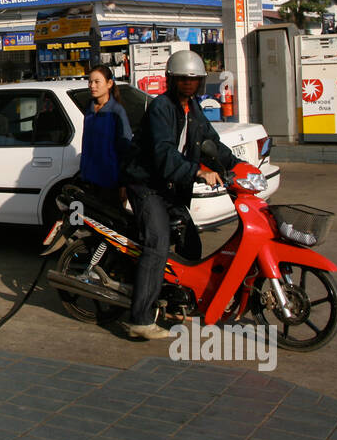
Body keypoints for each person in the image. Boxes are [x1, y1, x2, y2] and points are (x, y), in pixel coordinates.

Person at [119, 50, 234, 340]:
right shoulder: (161, 107)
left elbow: (212, 143)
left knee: (189, 240)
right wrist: (197, 172)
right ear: (172, 81)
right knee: (157, 242)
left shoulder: (193, 110)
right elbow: (163, 153)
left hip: (166, 184)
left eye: (194, 81)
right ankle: (140, 319)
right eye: (183, 80)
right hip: (145, 183)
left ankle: (174, 300)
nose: (189, 85)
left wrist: (240, 166)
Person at [78, 65, 132, 208]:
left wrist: (123, 184)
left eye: (97, 82)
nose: (92, 86)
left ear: (109, 84)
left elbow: (125, 149)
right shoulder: (89, 108)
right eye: (90, 82)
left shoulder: (116, 112)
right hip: (89, 180)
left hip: (110, 182)